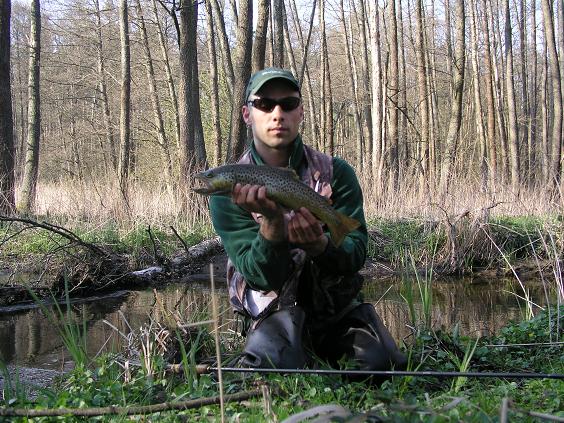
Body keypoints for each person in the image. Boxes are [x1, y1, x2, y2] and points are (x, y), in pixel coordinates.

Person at [209, 68, 406, 371]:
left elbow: (355, 255)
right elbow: (259, 278)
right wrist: (272, 226)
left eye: (288, 104)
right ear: (247, 114)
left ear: (300, 112)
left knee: (382, 364)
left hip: (335, 312)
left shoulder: (337, 174)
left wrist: (321, 246)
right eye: (264, 104)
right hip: (271, 312)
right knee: (276, 367)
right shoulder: (228, 194)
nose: (277, 114)